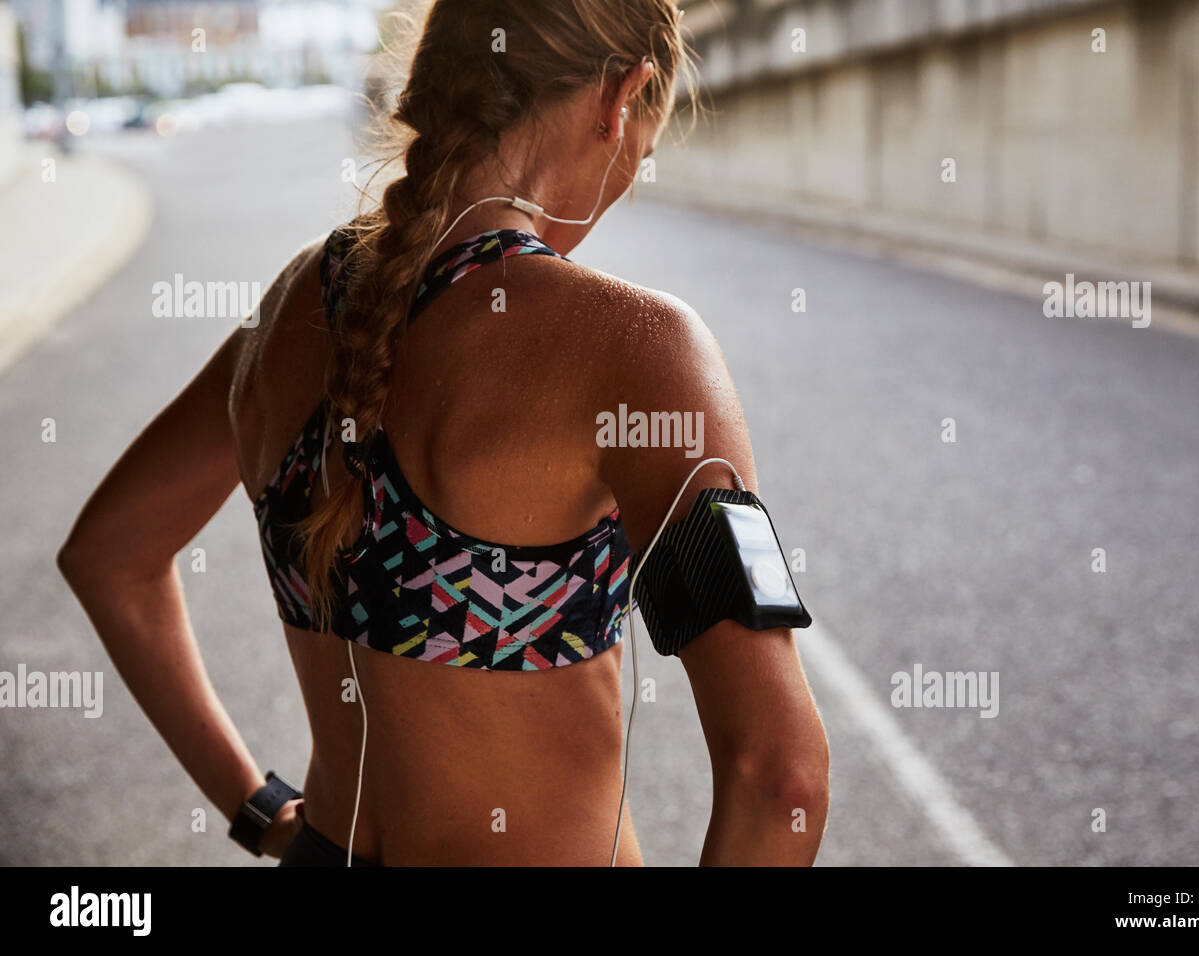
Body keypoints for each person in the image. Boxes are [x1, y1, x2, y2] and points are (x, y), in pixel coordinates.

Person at [58, 0, 829, 866]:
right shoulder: (634, 348)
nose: (616, 194)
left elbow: (108, 557)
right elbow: (782, 778)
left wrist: (262, 814)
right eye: (636, 160)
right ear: (621, 97)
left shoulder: (289, 310)